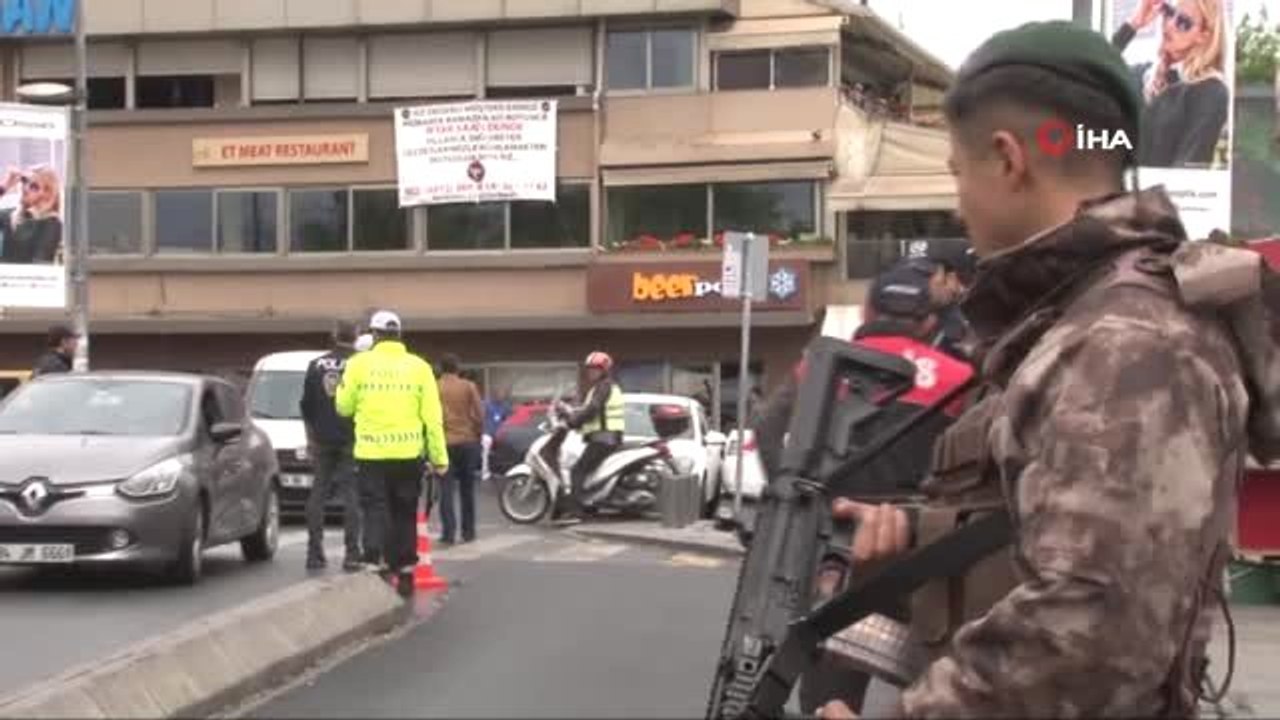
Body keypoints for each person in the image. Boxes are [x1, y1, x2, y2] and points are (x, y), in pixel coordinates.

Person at [816, 20, 1252, 719]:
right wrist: (917, 535)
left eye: (958, 175)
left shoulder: (1124, 341)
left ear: (1008, 159)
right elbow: (1047, 532)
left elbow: (1095, 636)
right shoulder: (1072, 324)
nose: (958, 204)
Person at [335, 310, 448, 597]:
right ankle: (407, 570)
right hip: (409, 453)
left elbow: (343, 408)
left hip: (371, 453)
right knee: (405, 511)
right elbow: (433, 418)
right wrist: (439, 458)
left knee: (375, 507)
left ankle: (376, 560)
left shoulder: (358, 365)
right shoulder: (419, 367)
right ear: (399, 334)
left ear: (373, 335)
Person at [1114, 0, 1229, 168]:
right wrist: (1133, 24)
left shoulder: (1209, 91)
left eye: (1183, 22)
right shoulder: (1142, 76)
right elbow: (1091, 76)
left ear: (1203, 36)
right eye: (1168, 12)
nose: (1169, 24)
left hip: (1155, 192)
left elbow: (1187, 172)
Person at [299, 319, 362, 572]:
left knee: (318, 494)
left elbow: (306, 405)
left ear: (334, 336)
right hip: (352, 437)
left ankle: (314, 554)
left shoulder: (315, 366)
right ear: (356, 336)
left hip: (322, 438)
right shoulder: (361, 364)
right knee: (351, 496)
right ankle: (351, 554)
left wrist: (310, 436)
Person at [553, 351, 625, 522]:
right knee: (584, 469)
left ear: (604, 370)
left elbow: (593, 409)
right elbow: (588, 410)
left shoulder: (603, 387)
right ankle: (587, 503)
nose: (591, 372)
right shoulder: (602, 387)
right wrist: (569, 412)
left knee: (577, 470)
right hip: (604, 438)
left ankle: (576, 512)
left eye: (595, 369)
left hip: (604, 438)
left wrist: (571, 423)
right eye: (589, 369)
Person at [436, 353, 484, 545]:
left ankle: (448, 533)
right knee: (467, 488)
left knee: (445, 489)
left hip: (444, 442)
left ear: (441, 368)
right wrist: (478, 434)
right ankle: (468, 531)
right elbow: (479, 414)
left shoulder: (435, 387)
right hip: (467, 441)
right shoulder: (468, 386)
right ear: (457, 367)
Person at [0, 166, 62, 265]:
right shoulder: (12, 215)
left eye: (34, 186)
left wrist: (33, 213)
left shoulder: (51, 223)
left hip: (25, 279)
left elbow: (40, 266)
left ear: (47, 194)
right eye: (24, 181)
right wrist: (5, 186)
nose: (25, 188)